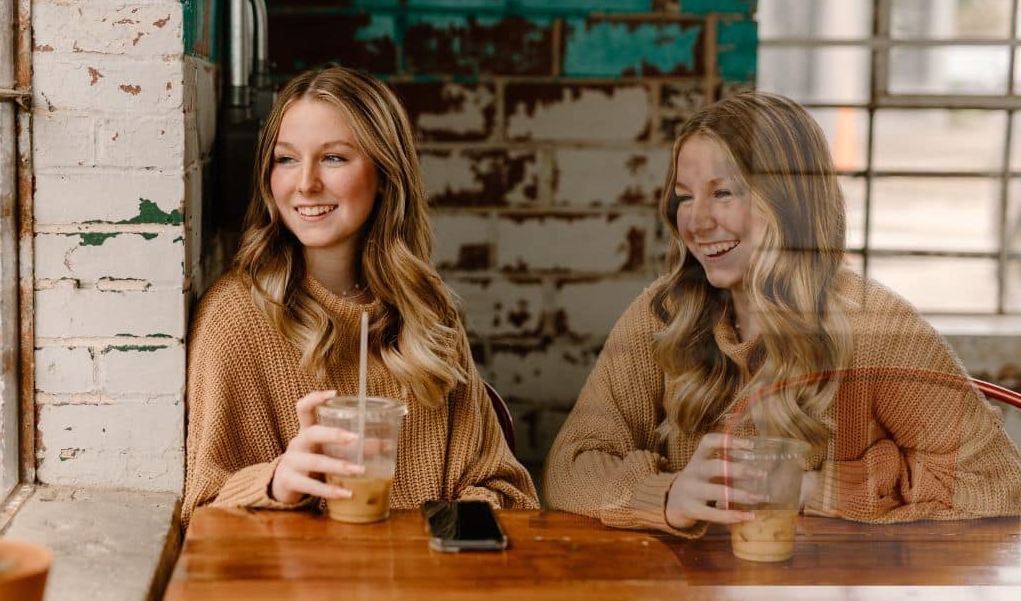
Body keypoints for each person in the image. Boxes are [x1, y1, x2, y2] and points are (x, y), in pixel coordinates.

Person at [542, 91, 1021, 536]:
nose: (697, 221)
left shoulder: (876, 324)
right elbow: (570, 467)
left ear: (789, 202)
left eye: (724, 193)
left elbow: (998, 484)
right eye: (685, 196)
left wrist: (813, 489)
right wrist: (667, 496)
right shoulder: (662, 314)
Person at [181, 66, 538, 528]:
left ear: (386, 174)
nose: (306, 183)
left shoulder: (428, 311)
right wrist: (275, 484)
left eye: (333, 158)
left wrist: (434, 545)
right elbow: (202, 514)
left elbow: (506, 490)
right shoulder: (235, 317)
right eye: (286, 159)